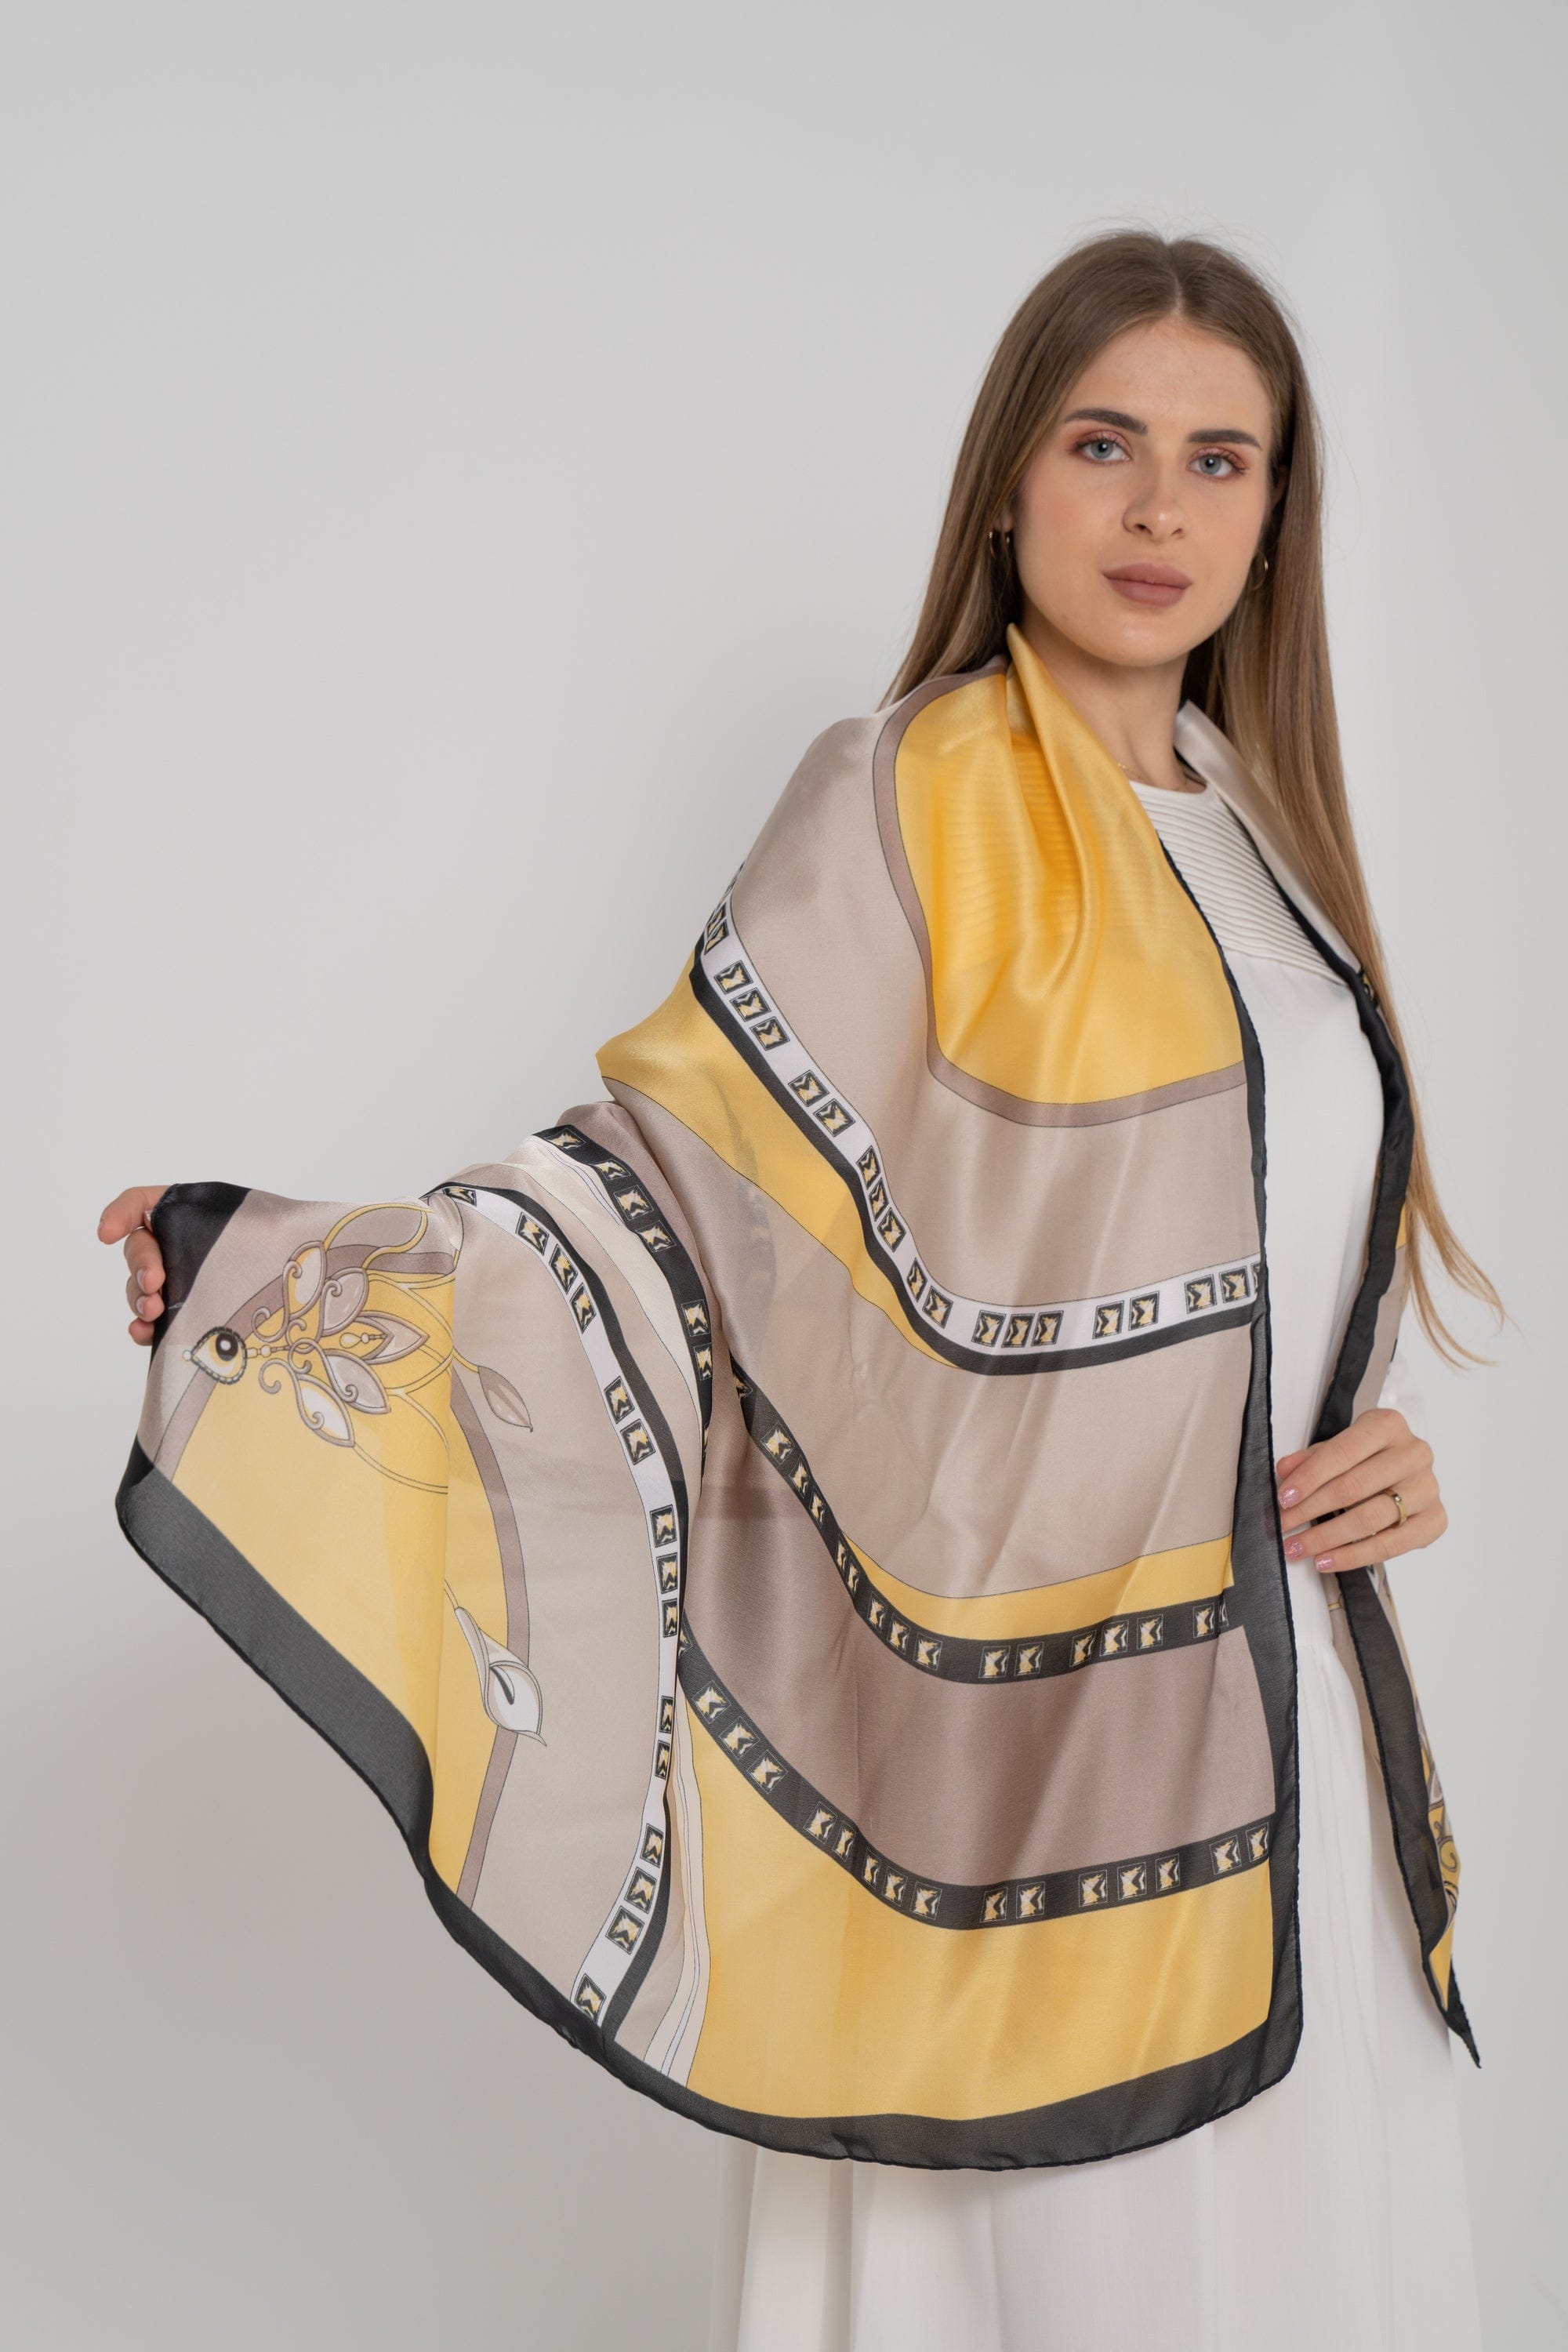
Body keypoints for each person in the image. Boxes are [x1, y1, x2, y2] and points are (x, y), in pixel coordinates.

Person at [100, 230, 1496, 2351]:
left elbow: (1263, 1260)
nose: (1158, 509)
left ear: (1275, 511)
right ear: (1010, 481)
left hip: (1295, 1734)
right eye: (1103, 443)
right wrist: (288, 1274)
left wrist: (1380, 1449)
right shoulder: (909, 798)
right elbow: (682, 1199)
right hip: (1014, 1770)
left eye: (1221, 461)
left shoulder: (1269, 843)